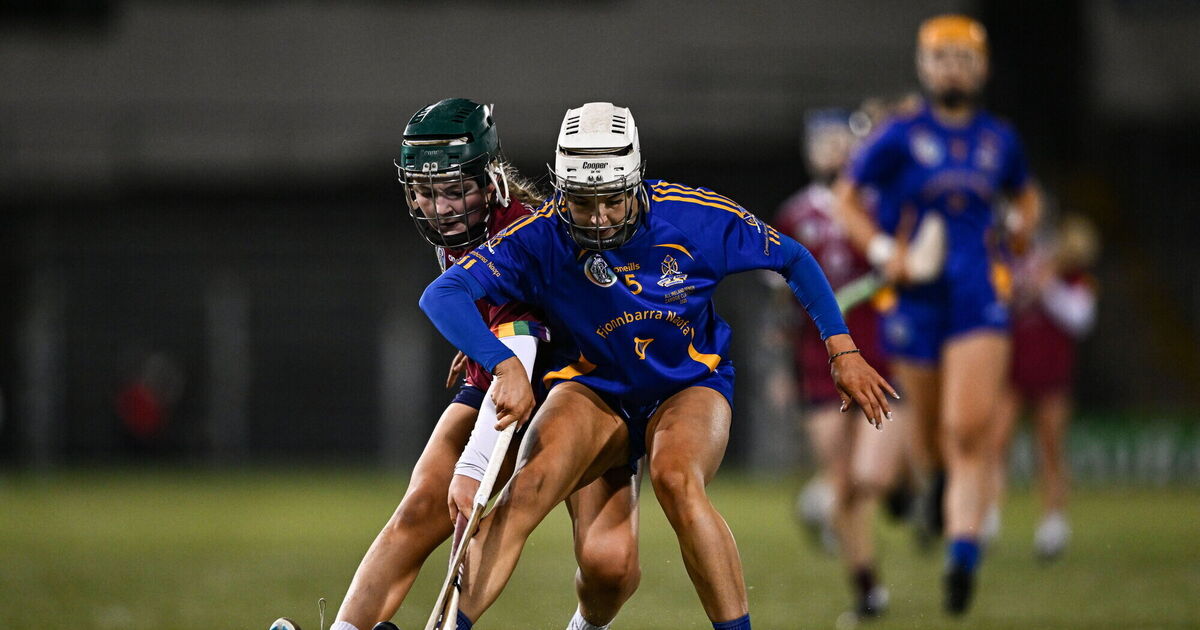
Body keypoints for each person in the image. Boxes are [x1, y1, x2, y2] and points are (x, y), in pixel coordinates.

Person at [420, 102, 896, 630]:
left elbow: (794, 259)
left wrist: (842, 349)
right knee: (562, 526)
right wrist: (501, 362)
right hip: (594, 388)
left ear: (636, 182)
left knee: (677, 480)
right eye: (582, 202)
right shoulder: (540, 235)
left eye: (611, 201)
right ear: (560, 190)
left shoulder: (693, 217)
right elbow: (444, 294)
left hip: (688, 384)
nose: (598, 218)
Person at [328, 99, 640, 630]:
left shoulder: (518, 231)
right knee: (421, 508)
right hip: (506, 378)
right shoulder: (461, 231)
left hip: (582, 387)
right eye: (425, 192)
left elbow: (520, 346)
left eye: (454, 190)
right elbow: (505, 330)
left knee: (609, 567)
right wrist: (482, 338)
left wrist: (474, 469)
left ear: (491, 180)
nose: (441, 207)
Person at [834, 15, 1041, 615]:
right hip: (915, 299)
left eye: (964, 58)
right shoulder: (898, 136)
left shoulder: (1000, 139)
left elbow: (1023, 195)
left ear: (982, 68)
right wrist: (881, 251)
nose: (952, 68)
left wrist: (1022, 230)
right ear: (925, 67)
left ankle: (963, 553)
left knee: (965, 431)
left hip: (978, 296)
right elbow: (846, 196)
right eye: (941, 58)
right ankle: (937, 489)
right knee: (926, 440)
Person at [774, 108, 911, 619]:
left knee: (869, 476)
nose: (830, 149)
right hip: (818, 364)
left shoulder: (878, 206)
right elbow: (782, 304)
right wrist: (780, 370)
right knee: (846, 485)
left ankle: (908, 485)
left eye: (839, 140)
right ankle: (867, 589)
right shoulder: (794, 215)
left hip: (880, 355)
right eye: (821, 141)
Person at [991, 212, 1099, 560]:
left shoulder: (1071, 273)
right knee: (996, 444)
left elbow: (1081, 320)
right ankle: (987, 518)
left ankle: (1053, 525)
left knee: (1050, 449)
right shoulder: (1005, 260)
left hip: (1053, 374)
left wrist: (1047, 286)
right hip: (1011, 371)